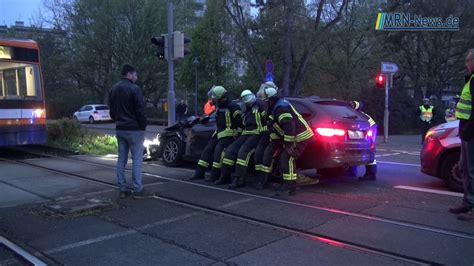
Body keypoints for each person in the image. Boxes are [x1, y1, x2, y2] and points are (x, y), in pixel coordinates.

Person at [258, 83, 314, 196]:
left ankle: (289, 185)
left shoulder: (280, 108)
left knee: (287, 157)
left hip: (300, 136)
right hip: (291, 136)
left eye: (265, 101)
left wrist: (288, 145)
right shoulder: (275, 106)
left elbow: (289, 127)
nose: (263, 102)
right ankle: (275, 182)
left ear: (270, 100)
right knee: (277, 155)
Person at [108, 64, 151, 199]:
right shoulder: (135, 89)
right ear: (129, 74)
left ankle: (122, 189)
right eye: (135, 75)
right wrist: (143, 125)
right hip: (134, 129)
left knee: (121, 159)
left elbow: (112, 111)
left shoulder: (114, 89)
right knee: (137, 159)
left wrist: (118, 120)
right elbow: (140, 110)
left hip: (120, 128)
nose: (136, 77)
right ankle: (138, 189)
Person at [190, 86, 242, 182]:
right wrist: (207, 119)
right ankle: (199, 173)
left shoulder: (233, 107)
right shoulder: (219, 107)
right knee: (207, 150)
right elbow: (217, 120)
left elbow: (240, 123)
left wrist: (237, 134)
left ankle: (216, 175)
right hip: (219, 133)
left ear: (221, 97)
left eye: (214, 97)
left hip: (230, 135)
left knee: (218, 151)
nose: (212, 99)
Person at [216, 89, 266, 189]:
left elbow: (266, 120)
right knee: (230, 150)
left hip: (257, 133)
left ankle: (239, 179)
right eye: (245, 100)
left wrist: (264, 134)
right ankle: (224, 177)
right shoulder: (247, 108)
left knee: (243, 152)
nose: (247, 101)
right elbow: (242, 122)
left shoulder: (260, 105)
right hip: (246, 133)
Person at [449, 49, 474, 221]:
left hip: (471, 132)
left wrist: (468, 130)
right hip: (467, 131)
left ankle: (471, 207)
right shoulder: (471, 79)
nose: (466, 64)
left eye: (468, 61)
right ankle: (468, 203)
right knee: (465, 167)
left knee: (471, 169)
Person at [350, 101, 377, 180]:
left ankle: (371, 174)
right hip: (369, 127)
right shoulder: (355, 112)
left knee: (368, 149)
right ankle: (352, 171)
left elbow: (360, 104)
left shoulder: (352, 113)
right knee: (356, 148)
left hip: (369, 128)